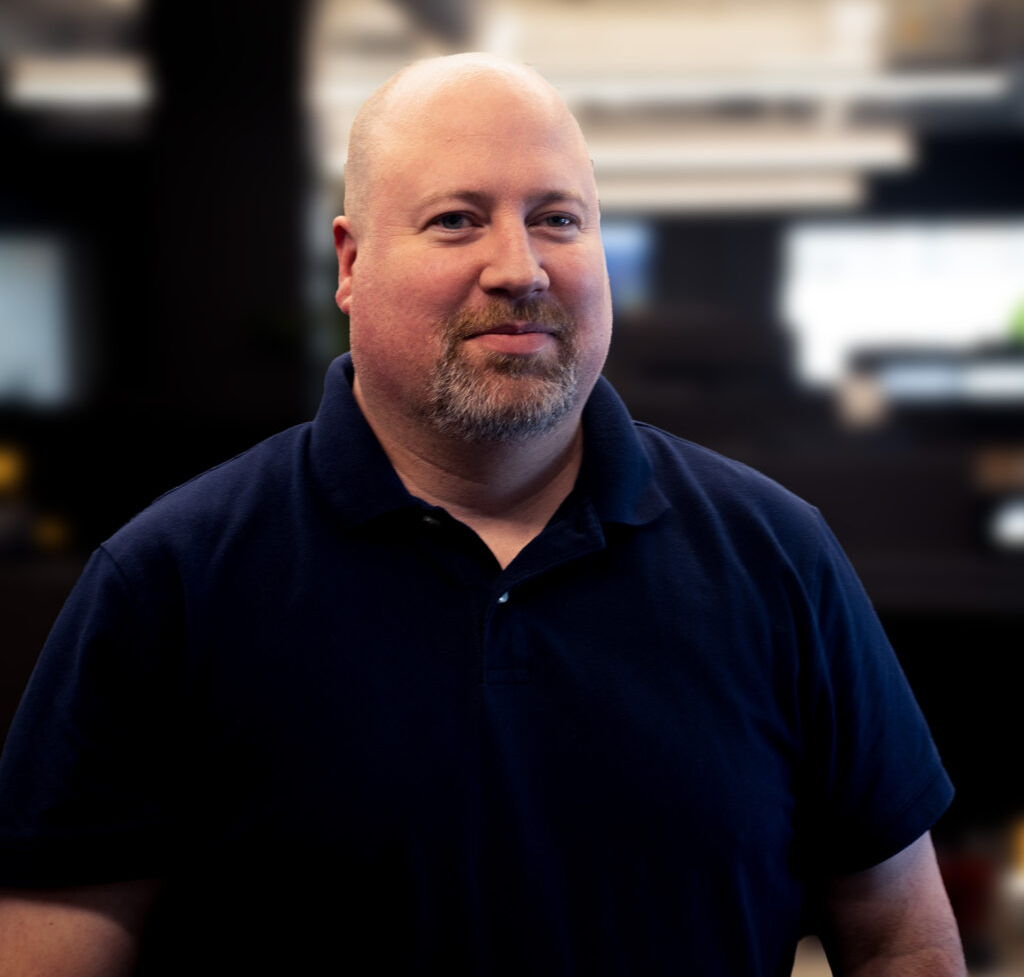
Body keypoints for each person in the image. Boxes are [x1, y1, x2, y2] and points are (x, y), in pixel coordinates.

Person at [0, 53, 965, 976]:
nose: (520, 267)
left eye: (558, 219)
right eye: (458, 220)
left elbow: (901, 944)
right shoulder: (169, 584)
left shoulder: (777, 556)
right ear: (351, 262)